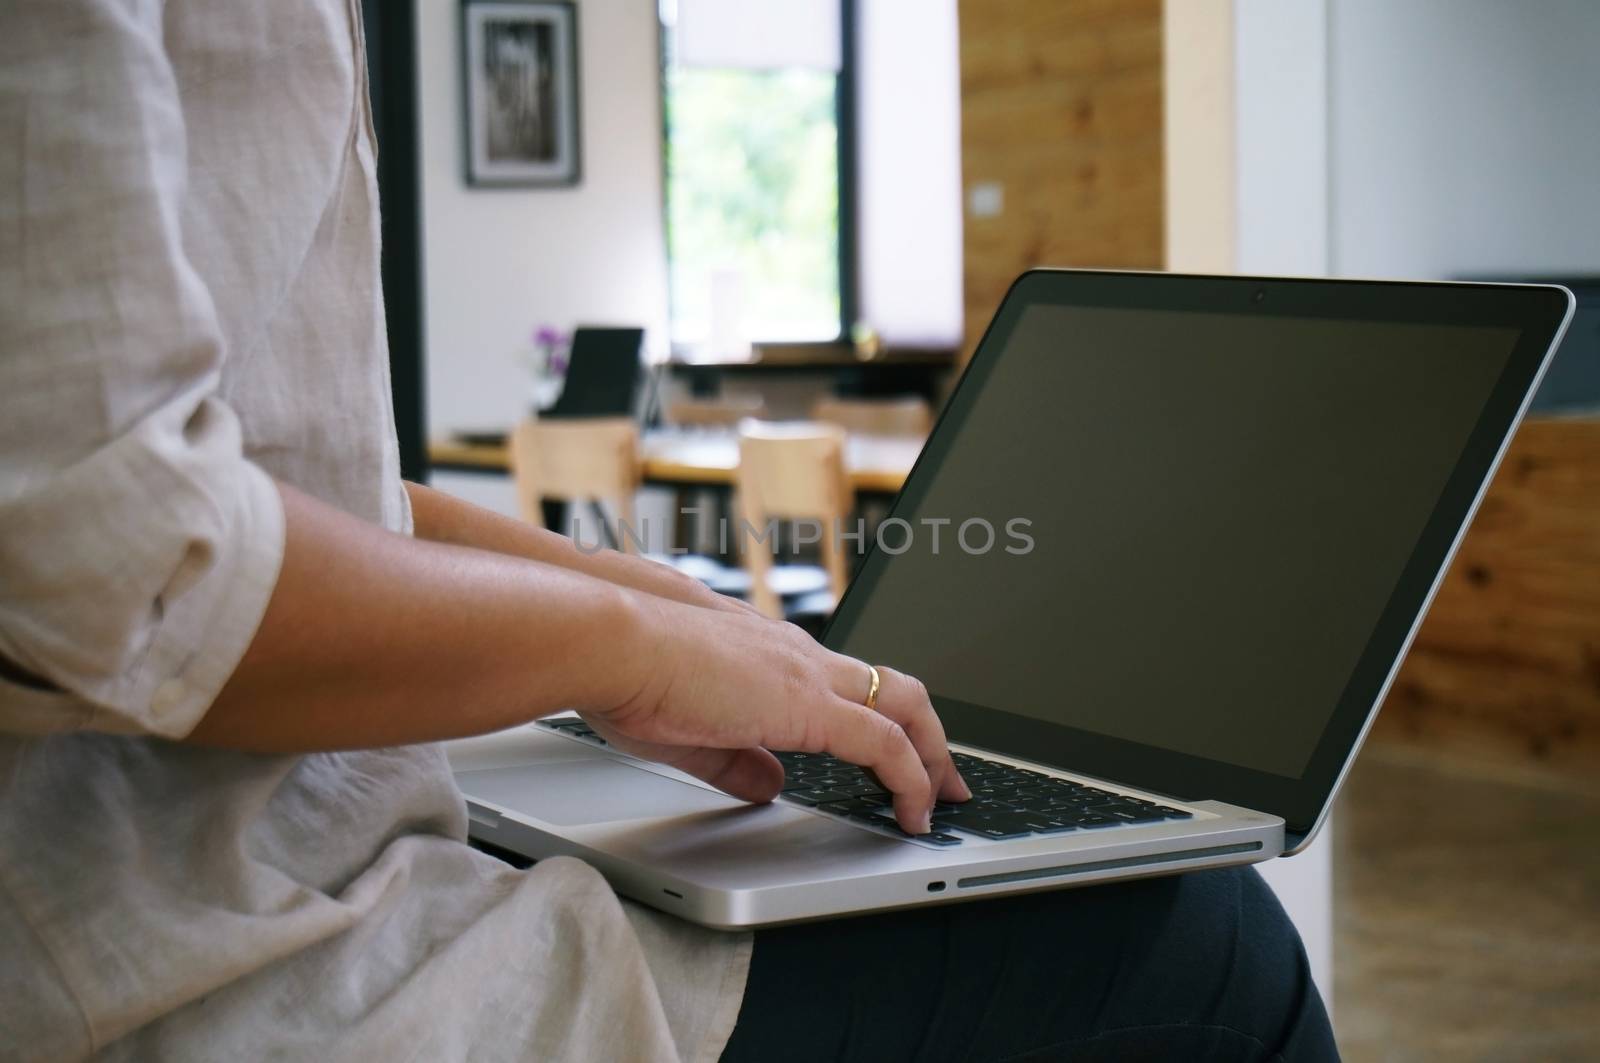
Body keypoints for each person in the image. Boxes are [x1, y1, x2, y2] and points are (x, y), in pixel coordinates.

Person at [0, 2, 1338, 1060]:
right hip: (191, 956)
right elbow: (129, 555)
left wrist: (632, 598)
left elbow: (302, 480)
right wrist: (618, 645)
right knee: (1208, 947)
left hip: (266, 844)